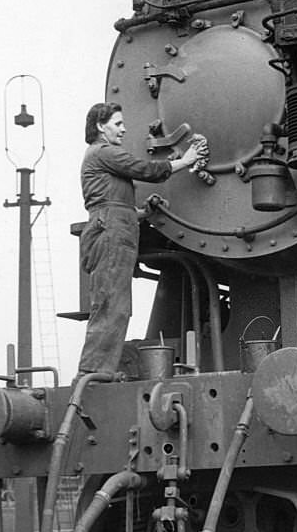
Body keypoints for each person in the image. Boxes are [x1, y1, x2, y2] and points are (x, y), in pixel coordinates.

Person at [75, 102, 205, 379]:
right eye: (118, 123)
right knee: (110, 304)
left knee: (117, 307)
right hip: (110, 231)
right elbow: (143, 169)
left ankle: (100, 371)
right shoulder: (103, 152)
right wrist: (185, 160)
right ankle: (93, 372)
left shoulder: (101, 157)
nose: (123, 129)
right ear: (101, 125)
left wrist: (145, 212)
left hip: (116, 227)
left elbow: (117, 204)